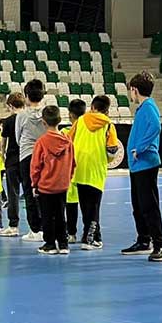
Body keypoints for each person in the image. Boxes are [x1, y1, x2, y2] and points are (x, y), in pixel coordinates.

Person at [62, 95, 119, 250]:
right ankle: (90, 239)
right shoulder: (108, 125)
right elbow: (112, 148)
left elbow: (68, 139)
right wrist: (105, 160)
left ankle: (92, 235)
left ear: (92, 107)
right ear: (107, 111)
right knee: (94, 207)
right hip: (96, 169)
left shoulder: (80, 121)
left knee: (85, 204)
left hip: (79, 169)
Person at [121, 71, 162, 262]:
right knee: (139, 206)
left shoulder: (148, 107)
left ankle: (159, 245)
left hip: (146, 164)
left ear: (134, 90)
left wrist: (139, 148)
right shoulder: (144, 107)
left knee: (149, 206)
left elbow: (156, 126)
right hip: (138, 166)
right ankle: (143, 240)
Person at [30, 105, 75, 255]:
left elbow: (36, 166)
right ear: (60, 120)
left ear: (43, 122)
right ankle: (63, 244)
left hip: (46, 186)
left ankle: (49, 244)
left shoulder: (41, 142)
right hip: (62, 185)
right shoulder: (68, 141)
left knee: (47, 215)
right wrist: (68, 178)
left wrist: (34, 184)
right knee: (61, 214)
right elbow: (73, 163)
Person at [16, 80, 46, 242]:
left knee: (29, 192)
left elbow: (18, 137)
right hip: (45, 156)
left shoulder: (21, 115)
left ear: (27, 96)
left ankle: (35, 229)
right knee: (45, 191)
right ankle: (46, 227)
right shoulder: (47, 112)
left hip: (27, 155)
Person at [0, 92, 26, 237]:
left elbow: (3, 142)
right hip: (27, 158)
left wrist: (2, 155)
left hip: (12, 160)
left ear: (10, 105)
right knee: (30, 193)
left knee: (13, 193)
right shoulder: (29, 118)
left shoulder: (8, 121)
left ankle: (13, 226)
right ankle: (37, 227)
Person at [61, 99, 86, 243]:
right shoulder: (89, 131)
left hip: (69, 172)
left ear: (70, 114)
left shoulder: (65, 132)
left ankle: (71, 233)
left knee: (69, 204)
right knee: (88, 206)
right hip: (86, 171)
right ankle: (91, 234)